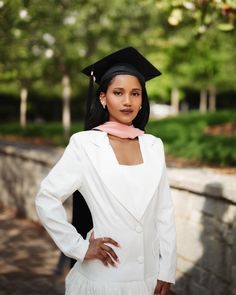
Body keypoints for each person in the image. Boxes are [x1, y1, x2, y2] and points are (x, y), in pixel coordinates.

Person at [35, 47, 176, 295]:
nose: (127, 101)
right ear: (103, 98)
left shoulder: (153, 146)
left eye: (135, 93)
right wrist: (79, 248)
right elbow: (47, 198)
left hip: (149, 278)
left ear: (142, 100)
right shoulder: (85, 144)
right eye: (118, 93)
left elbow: (164, 210)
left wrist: (167, 270)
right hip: (104, 278)